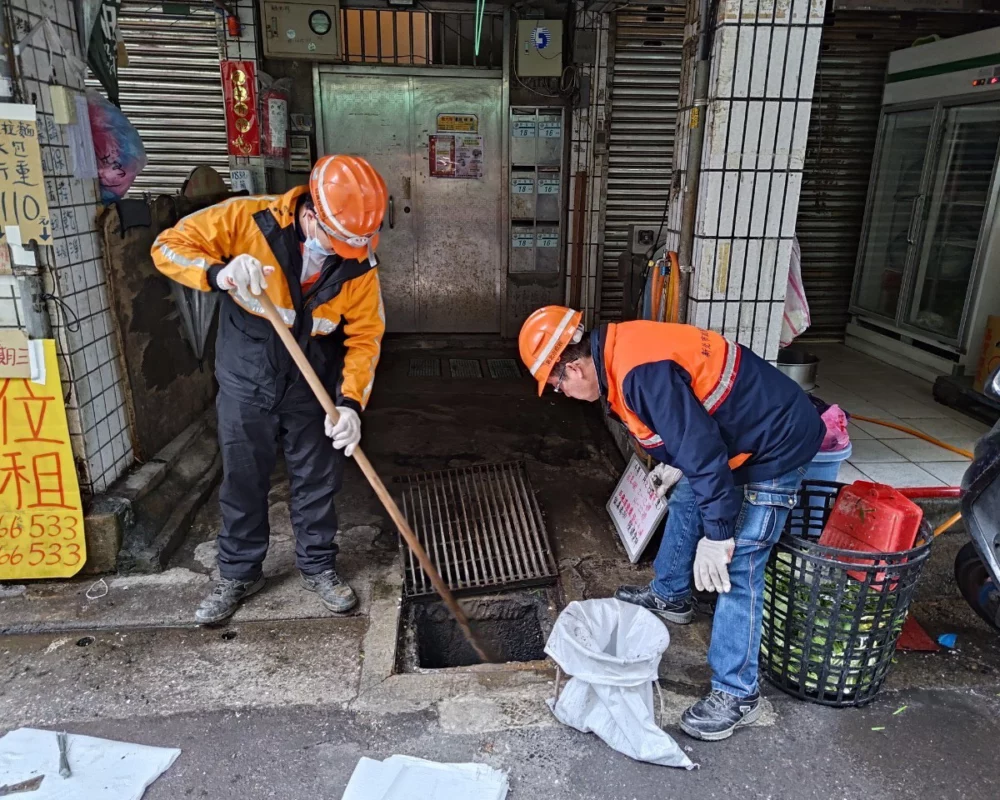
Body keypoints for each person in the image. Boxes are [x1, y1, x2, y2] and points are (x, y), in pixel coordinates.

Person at [518, 306, 824, 741]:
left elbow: (704, 455)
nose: (562, 392)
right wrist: (674, 462)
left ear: (575, 363)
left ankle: (738, 693)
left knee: (739, 567)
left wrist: (718, 537)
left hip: (777, 442)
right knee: (685, 498)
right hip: (739, 435)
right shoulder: (617, 354)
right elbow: (689, 431)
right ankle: (671, 595)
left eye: (557, 382)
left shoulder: (640, 373)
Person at [152, 155, 387, 624]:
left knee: (317, 480)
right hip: (247, 374)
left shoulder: (359, 264)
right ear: (311, 214)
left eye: (356, 245)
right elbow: (167, 245)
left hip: (310, 380)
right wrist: (220, 273)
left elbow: (365, 335)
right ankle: (239, 574)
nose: (346, 252)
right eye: (339, 240)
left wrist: (350, 403)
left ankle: (318, 566)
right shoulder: (247, 219)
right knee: (244, 478)